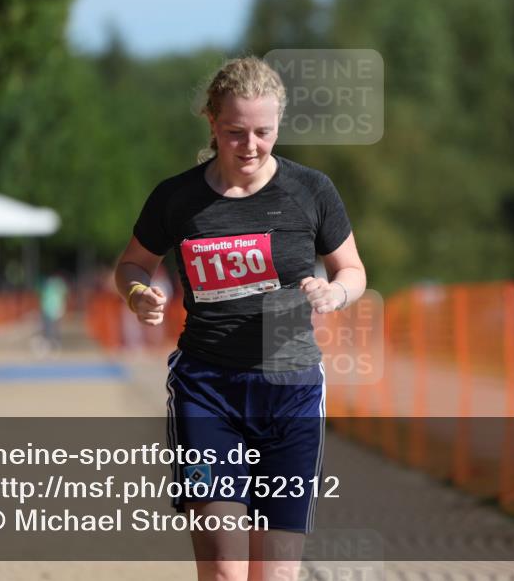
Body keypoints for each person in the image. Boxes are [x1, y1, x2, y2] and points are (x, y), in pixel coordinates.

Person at [114, 56, 366, 581]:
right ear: (211, 121)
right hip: (208, 392)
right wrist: (137, 291)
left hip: (291, 393)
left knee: (273, 575)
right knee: (226, 571)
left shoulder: (311, 191)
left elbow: (353, 270)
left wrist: (335, 293)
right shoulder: (177, 198)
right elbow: (133, 263)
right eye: (235, 132)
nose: (250, 147)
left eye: (263, 132)